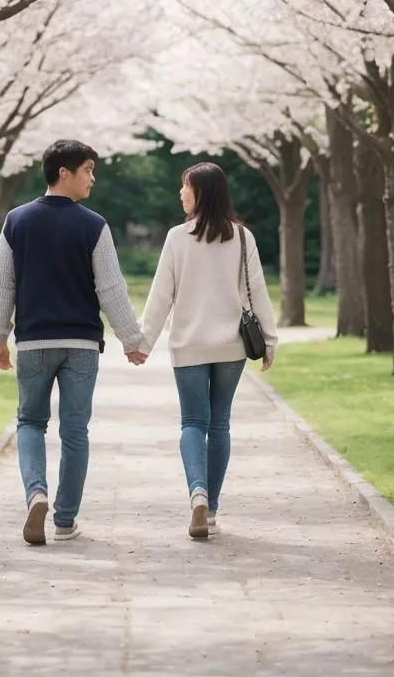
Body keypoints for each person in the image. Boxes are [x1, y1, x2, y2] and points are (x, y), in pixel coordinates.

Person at [0, 139, 143, 546]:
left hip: (34, 344)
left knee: (30, 423)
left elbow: (2, 286)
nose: (93, 178)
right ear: (64, 173)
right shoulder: (94, 225)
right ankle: (64, 520)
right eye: (88, 170)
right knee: (75, 430)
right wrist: (132, 340)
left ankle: (35, 493)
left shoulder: (16, 221)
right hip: (81, 346)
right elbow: (111, 289)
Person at [132, 162, 278, 539]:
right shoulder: (243, 238)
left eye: (186, 187)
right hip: (231, 347)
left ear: (202, 193)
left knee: (193, 423)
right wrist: (270, 341)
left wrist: (143, 343)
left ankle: (196, 493)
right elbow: (257, 291)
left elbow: (160, 295)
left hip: (190, 345)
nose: (181, 193)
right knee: (220, 423)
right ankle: (211, 509)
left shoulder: (177, 238)